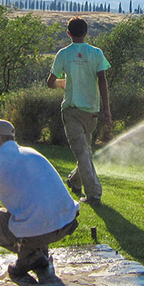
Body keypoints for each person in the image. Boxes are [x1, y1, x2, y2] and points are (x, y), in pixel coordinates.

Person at [0, 119, 80, 280]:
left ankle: (28, 257)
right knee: (33, 215)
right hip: (66, 222)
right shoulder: (31, 152)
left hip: (40, 230)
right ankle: (40, 254)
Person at [46, 16, 112, 205]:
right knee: (84, 152)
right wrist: (107, 109)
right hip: (92, 110)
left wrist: (61, 83)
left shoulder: (63, 54)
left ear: (68, 33)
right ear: (86, 33)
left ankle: (93, 195)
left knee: (84, 153)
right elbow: (102, 80)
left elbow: (50, 83)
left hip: (72, 109)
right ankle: (76, 182)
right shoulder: (96, 53)